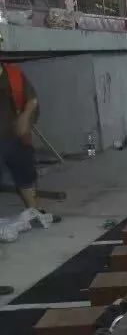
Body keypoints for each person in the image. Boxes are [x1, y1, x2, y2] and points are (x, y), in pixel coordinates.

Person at [1, 62, 55, 242]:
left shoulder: (13, 73)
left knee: (26, 176)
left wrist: (24, 117)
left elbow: (32, 100)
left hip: (15, 137)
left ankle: (35, 213)